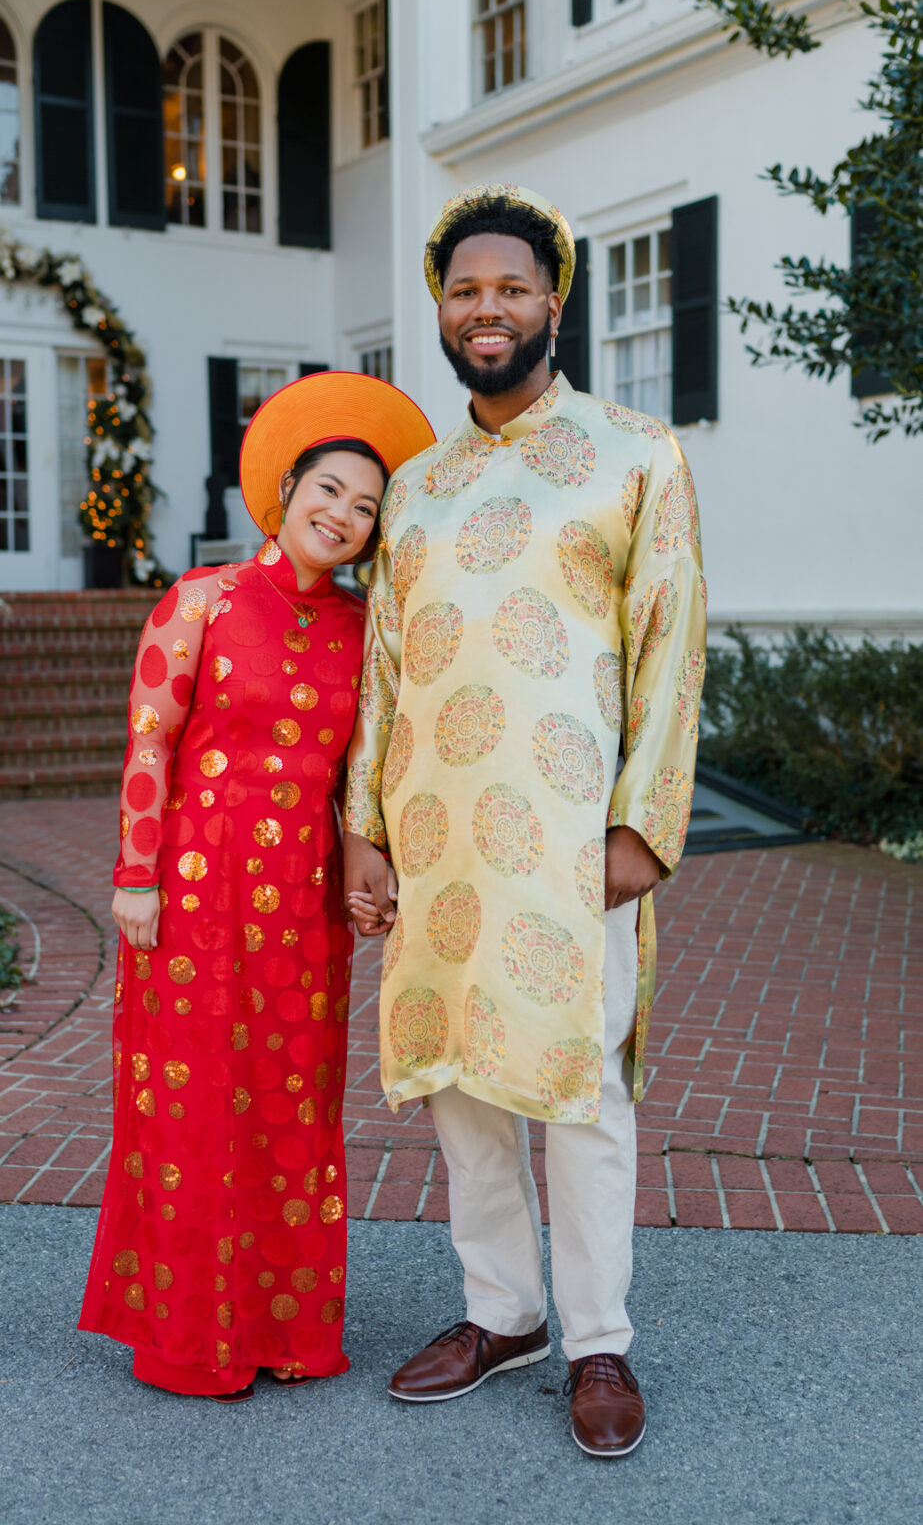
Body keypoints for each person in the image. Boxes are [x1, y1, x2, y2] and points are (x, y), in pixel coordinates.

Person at [344, 185, 706, 1457]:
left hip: (569, 846)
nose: (484, 308)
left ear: (552, 301)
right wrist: (363, 828)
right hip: (435, 838)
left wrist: (640, 827)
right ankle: (500, 1314)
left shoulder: (633, 453)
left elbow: (671, 651)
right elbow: (383, 668)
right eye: (461, 289)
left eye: (508, 287)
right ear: (439, 311)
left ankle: (597, 1337)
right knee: (461, 1089)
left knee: (580, 1090)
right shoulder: (415, 486)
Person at [79, 371, 435, 1402]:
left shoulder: (364, 629)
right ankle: (193, 1339)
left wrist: (370, 865)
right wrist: (133, 877)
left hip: (300, 899)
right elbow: (149, 743)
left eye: (364, 506)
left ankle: (285, 1331)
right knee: (193, 1107)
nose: (343, 514)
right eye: (328, 489)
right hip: (192, 889)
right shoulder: (201, 599)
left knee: (288, 1108)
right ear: (285, 491)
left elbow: (365, 766)